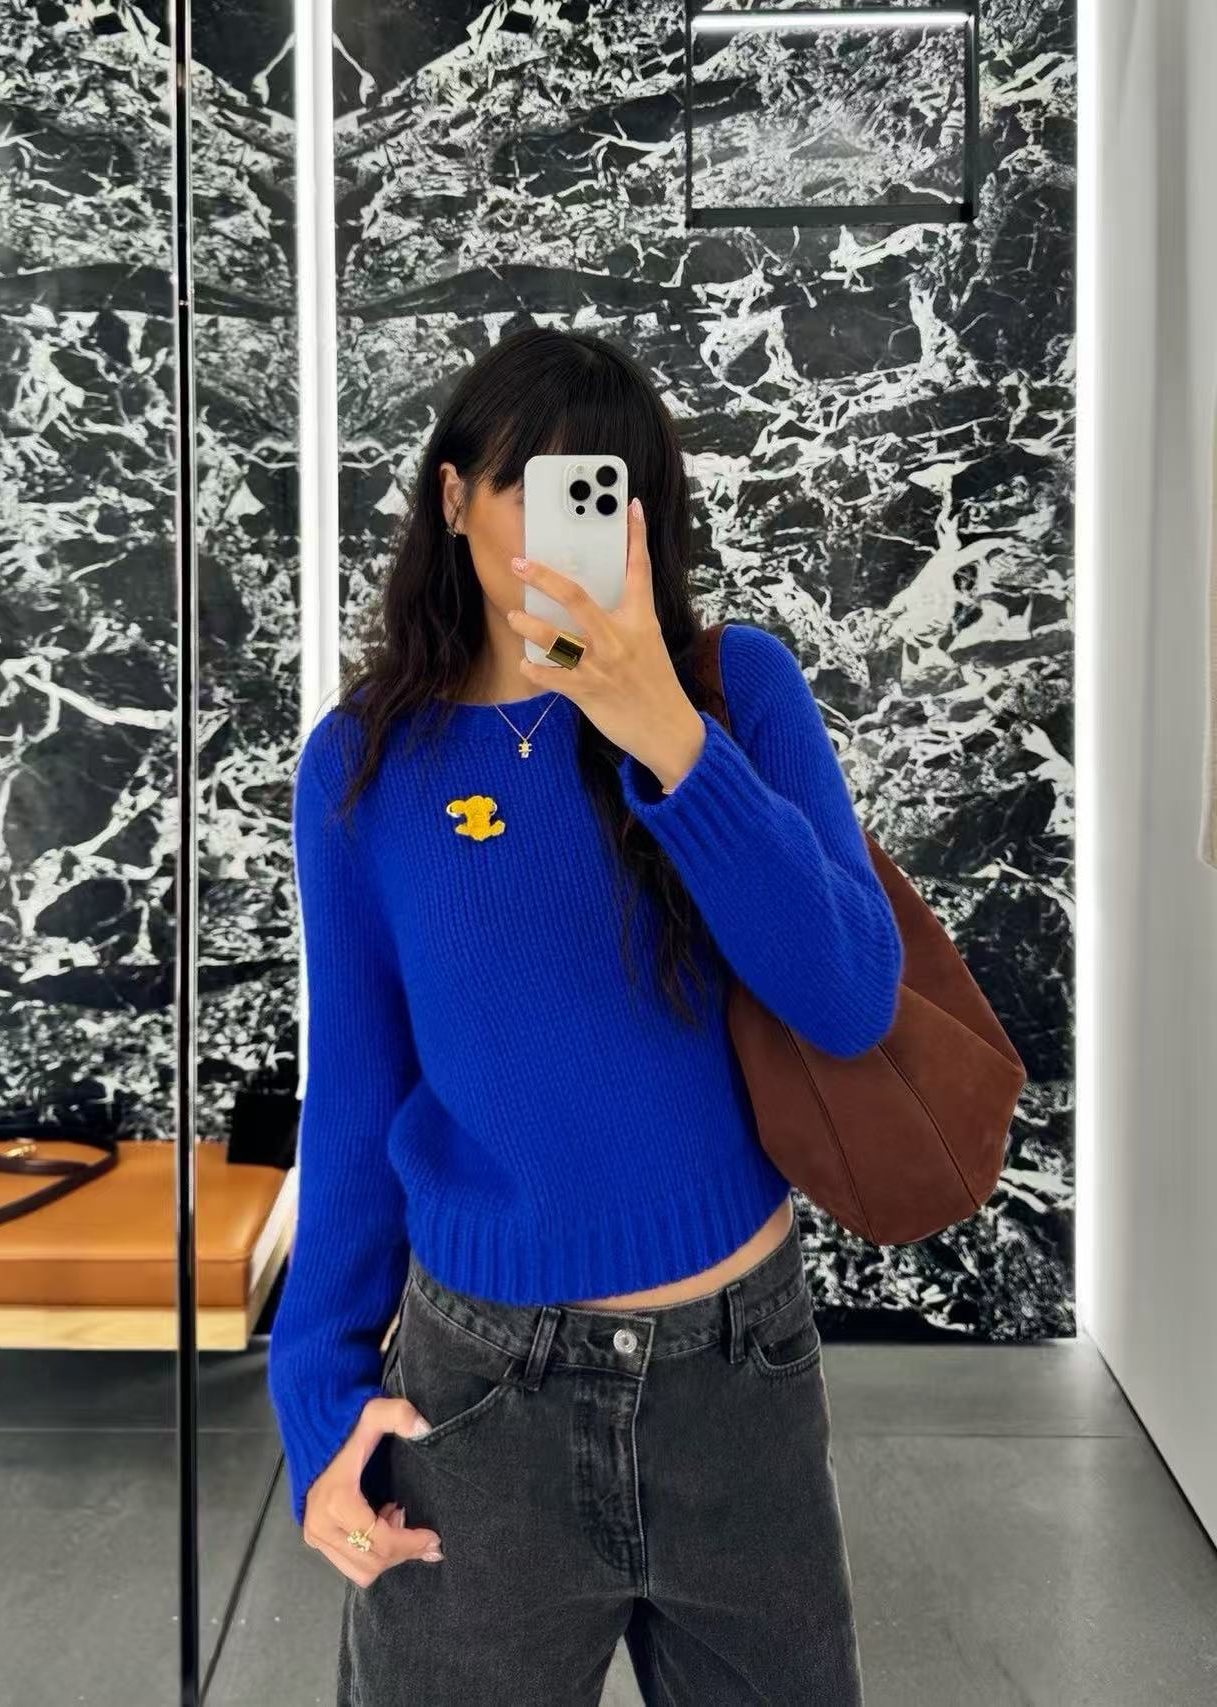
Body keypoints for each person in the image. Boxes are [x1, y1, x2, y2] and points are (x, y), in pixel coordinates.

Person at [267, 326, 903, 1705]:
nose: (570, 528)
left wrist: (665, 731)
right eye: (530, 485)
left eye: (604, 492)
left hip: (738, 1374)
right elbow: (356, 1097)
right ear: (454, 498)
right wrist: (315, 1395)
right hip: (480, 1393)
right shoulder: (363, 763)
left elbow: (851, 997)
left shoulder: (736, 693)